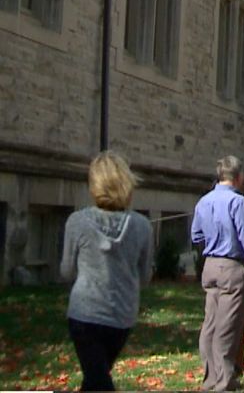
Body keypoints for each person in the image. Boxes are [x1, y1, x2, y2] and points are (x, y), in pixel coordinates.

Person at [60, 152, 153, 392]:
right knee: (96, 378)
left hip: (85, 315)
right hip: (122, 317)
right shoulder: (142, 226)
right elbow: (145, 277)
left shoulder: (76, 222)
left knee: (97, 380)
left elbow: (66, 272)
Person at [191, 155, 244, 391]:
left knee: (210, 323)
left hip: (210, 264)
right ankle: (223, 380)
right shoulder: (239, 202)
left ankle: (210, 377)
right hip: (232, 265)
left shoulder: (204, 201)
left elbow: (196, 236)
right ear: (238, 177)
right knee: (228, 325)